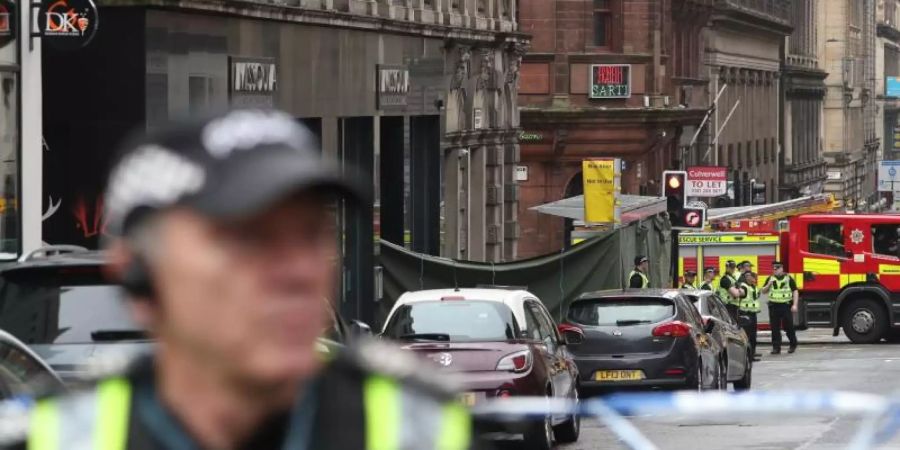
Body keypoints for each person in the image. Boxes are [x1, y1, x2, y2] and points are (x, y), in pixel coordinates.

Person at [2, 110, 475, 450]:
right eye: (249, 239)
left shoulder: (424, 433)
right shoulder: (58, 438)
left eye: (312, 235)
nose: (297, 271)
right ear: (140, 276)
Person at [761, 261, 799, 355]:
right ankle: (776, 347)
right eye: (774, 269)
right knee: (774, 328)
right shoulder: (770, 278)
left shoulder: (788, 278)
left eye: (777, 269)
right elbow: (763, 291)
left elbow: (795, 291)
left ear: (781, 269)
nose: (775, 271)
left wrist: (795, 304)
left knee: (788, 326)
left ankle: (792, 344)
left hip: (785, 305)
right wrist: (769, 284)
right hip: (774, 306)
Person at [738, 272, 762, 362]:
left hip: (753, 314)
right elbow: (741, 293)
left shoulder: (754, 287)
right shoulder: (744, 286)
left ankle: (751, 356)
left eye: (754, 278)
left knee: (753, 336)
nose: (754, 279)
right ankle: (746, 357)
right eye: (753, 277)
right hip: (745, 314)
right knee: (747, 336)